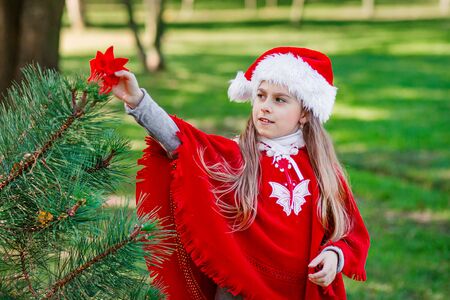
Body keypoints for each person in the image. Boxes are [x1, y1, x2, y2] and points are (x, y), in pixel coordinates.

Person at [112, 47, 370, 300]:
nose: (265, 107)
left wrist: (335, 256)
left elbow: (350, 233)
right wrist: (138, 101)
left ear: (304, 112)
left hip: (302, 290)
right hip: (241, 289)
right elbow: (183, 142)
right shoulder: (236, 155)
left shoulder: (323, 171)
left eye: (279, 99)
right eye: (260, 96)